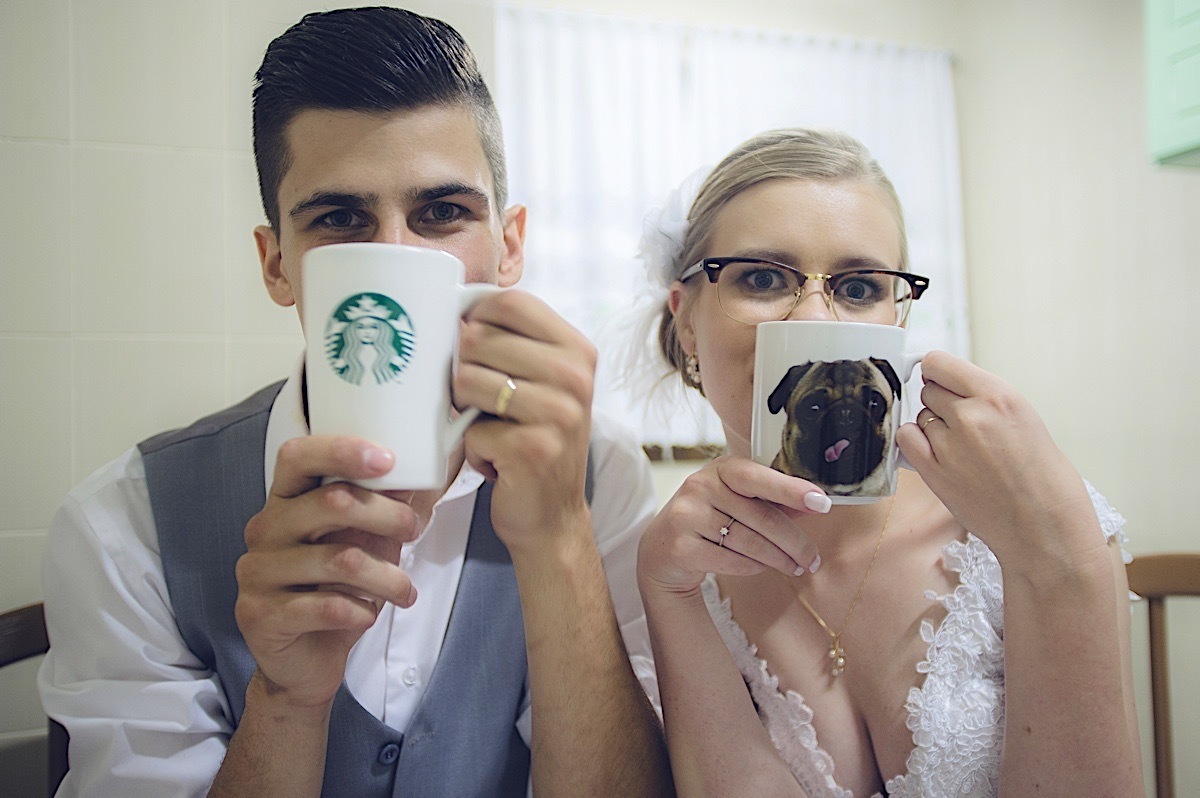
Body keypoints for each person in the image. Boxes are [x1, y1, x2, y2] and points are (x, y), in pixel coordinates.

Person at [38, 8, 672, 797]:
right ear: (278, 266)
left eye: (443, 212)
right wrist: (285, 700)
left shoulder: (600, 478)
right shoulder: (122, 525)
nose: (394, 257)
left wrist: (560, 545)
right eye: (340, 218)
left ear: (510, 246)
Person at [635, 128, 1142, 797]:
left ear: (897, 324)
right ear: (687, 323)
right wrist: (668, 593)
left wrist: (1061, 553)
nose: (814, 317)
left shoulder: (1026, 527)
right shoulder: (673, 568)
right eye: (762, 277)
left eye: (859, 286)